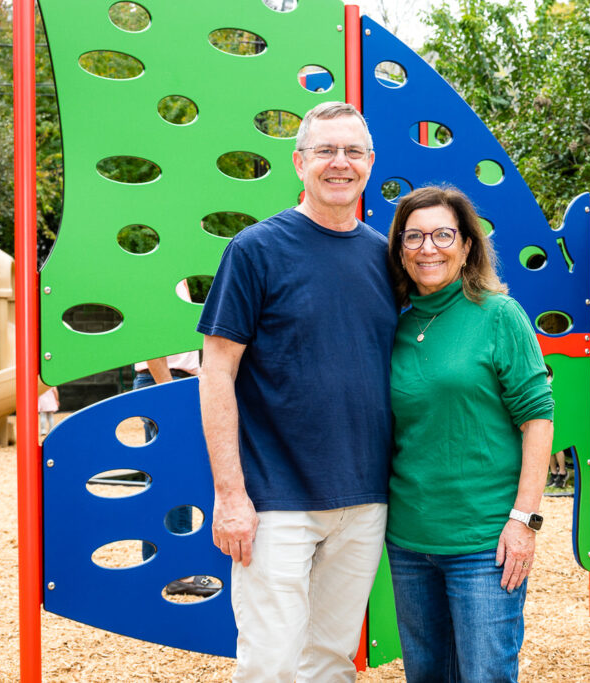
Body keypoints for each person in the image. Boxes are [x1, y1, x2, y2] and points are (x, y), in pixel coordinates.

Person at [196, 101, 396, 682]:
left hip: (365, 499)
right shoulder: (256, 250)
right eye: (326, 150)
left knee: (332, 659)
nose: (340, 163)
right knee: (272, 662)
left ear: (370, 162)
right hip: (273, 499)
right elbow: (217, 374)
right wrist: (230, 495)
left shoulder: (385, 258)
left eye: (353, 151)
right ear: (299, 161)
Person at [385, 186, 554, 683]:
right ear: (399, 249)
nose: (427, 247)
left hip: (485, 542)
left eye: (442, 234)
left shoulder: (499, 315)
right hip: (409, 539)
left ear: (466, 247)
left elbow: (538, 418)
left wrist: (525, 520)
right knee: (427, 675)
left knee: (484, 675)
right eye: (413, 236)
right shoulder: (394, 324)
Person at [130, 310, 215, 597]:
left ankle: (161, 568)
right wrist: (170, 393)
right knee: (178, 483)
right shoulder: (161, 276)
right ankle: (179, 572)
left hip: (175, 380)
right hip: (166, 381)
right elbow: (151, 341)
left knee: (163, 483)